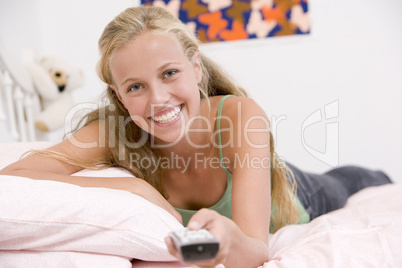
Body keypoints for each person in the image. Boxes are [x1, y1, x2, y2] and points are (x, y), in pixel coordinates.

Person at [0, 6, 391, 268]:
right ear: (119, 96)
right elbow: (15, 175)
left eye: (169, 74)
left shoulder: (241, 117)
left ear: (196, 67)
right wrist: (133, 191)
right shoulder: (112, 131)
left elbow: (256, 249)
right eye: (135, 87)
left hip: (301, 192)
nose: (158, 100)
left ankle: (376, 176)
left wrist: (228, 241)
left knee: (357, 181)